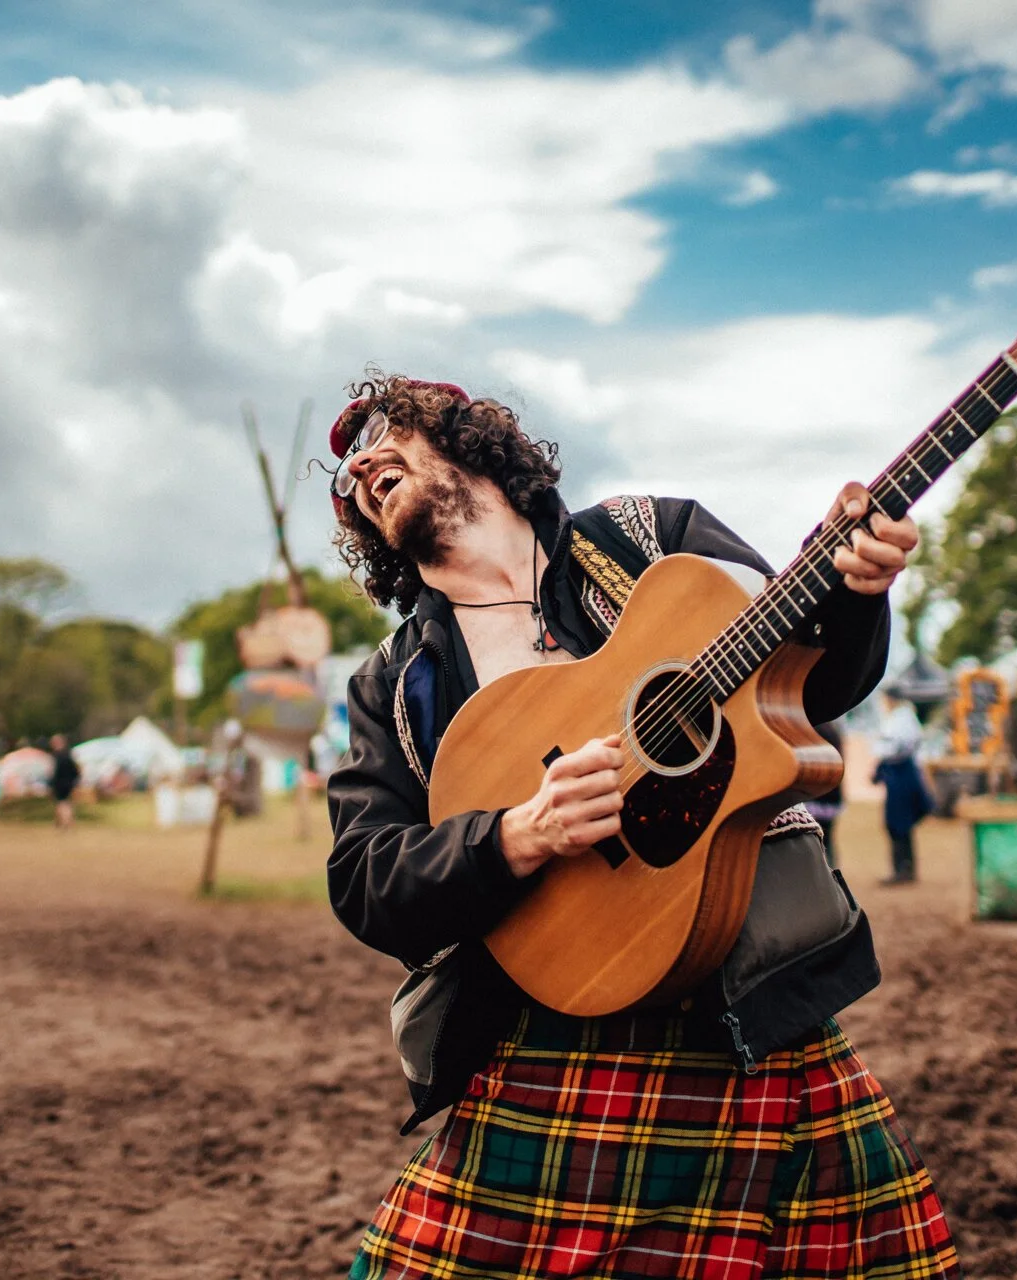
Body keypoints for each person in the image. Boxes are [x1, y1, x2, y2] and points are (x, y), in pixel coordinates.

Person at [323, 376, 958, 1279]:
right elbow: (364, 882)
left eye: (385, 431)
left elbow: (801, 686)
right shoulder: (394, 683)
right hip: (546, 1043)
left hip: (746, 1014)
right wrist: (514, 835)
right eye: (347, 477)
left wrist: (853, 595)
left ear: (466, 436)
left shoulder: (651, 541)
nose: (362, 464)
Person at [873, 688, 932, 885]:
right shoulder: (903, 717)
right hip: (901, 772)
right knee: (899, 824)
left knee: (898, 823)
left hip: (901, 773)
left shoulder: (902, 719)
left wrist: (882, 762)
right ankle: (904, 868)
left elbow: (896, 748)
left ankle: (903, 870)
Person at [804, 718, 846, 866]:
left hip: (819, 794)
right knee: (826, 838)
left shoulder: (817, 729)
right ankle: (831, 871)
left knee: (818, 838)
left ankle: (824, 872)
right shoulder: (832, 730)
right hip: (831, 792)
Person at [49, 733, 81, 831]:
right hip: (69, 783)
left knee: (62, 803)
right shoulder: (69, 754)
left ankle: (66, 823)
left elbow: (55, 772)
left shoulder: (58, 756)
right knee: (66, 803)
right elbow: (76, 770)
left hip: (60, 783)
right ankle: (61, 823)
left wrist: (51, 783)